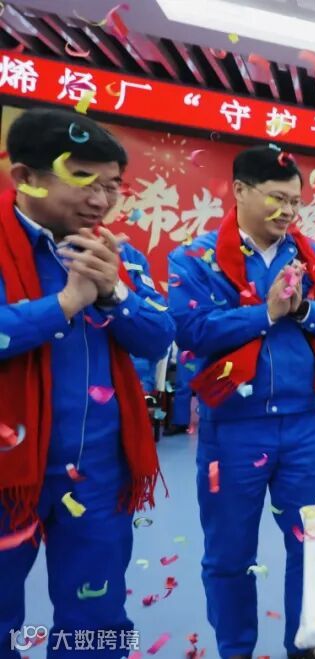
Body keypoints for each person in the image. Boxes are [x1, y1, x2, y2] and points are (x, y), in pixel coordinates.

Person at [168, 146, 315, 659]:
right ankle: (236, 649)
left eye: (295, 201)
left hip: (306, 427)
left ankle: (307, 645)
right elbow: (191, 329)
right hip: (233, 427)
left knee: (313, 545)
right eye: (277, 198)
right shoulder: (196, 259)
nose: (288, 211)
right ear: (239, 191)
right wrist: (267, 313)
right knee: (229, 554)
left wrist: (302, 310)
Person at [0, 108, 173, 659]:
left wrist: (114, 293)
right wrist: (64, 303)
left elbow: (159, 336)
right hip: (6, 472)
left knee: (96, 617)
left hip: (97, 471)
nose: (101, 200)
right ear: (24, 176)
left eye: (112, 185)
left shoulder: (117, 256)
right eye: (82, 179)